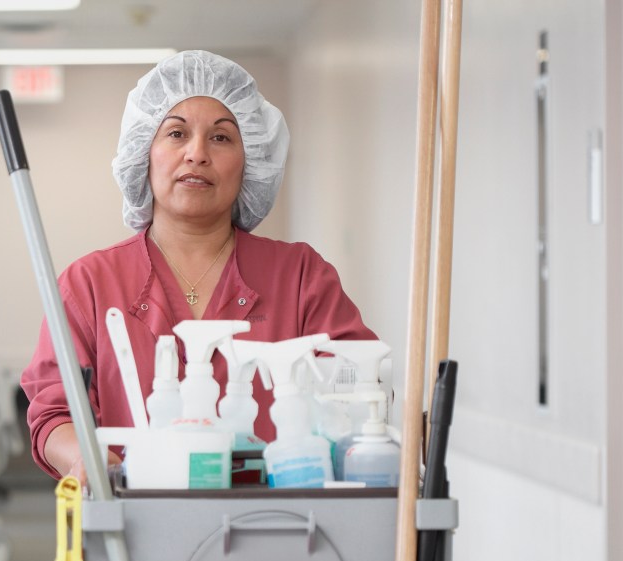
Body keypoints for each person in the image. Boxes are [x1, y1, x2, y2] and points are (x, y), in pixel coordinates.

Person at [21, 50, 378, 483]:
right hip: (130, 527)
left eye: (222, 138)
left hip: (276, 529)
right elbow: (56, 409)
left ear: (251, 162)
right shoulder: (90, 284)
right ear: (143, 152)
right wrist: (87, 461)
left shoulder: (300, 276)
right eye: (175, 133)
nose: (197, 153)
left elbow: (359, 386)